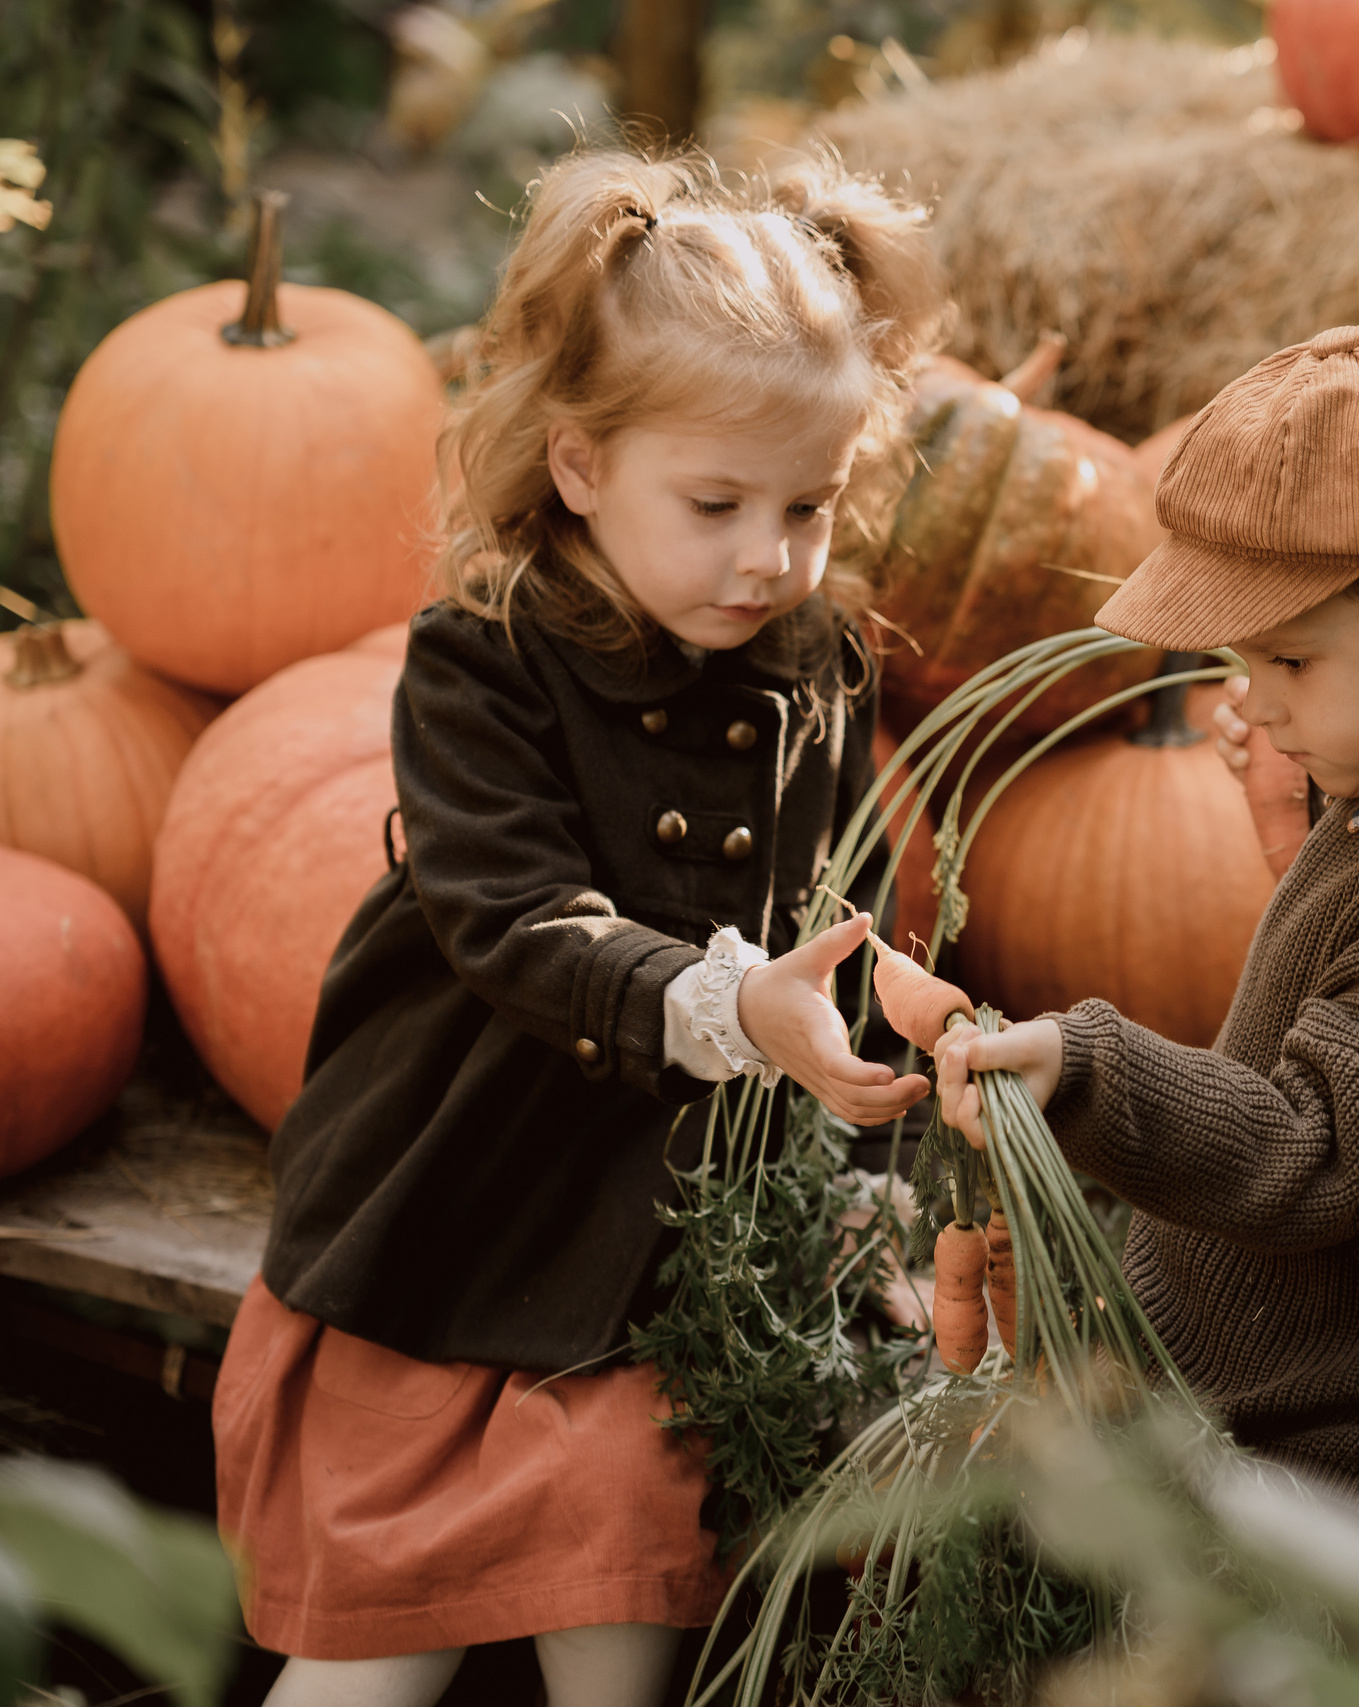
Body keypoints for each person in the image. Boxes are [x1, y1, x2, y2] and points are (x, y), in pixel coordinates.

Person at [210, 146, 940, 1705]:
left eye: (809, 504)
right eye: (719, 502)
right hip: (463, 1183)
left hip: (665, 1234)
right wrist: (738, 1013)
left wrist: (877, 1140)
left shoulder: (818, 660)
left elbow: (848, 912)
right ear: (581, 464)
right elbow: (512, 920)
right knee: (375, 1655)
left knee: (621, 1590)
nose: (770, 553)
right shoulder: (482, 659)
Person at [929, 325, 1359, 1564]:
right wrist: (1299, 829)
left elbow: (1314, 1149)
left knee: (1011, 1549)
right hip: (1292, 1380)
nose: (1250, 698)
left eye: (1290, 658)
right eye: (1238, 662)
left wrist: (1084, 1070)